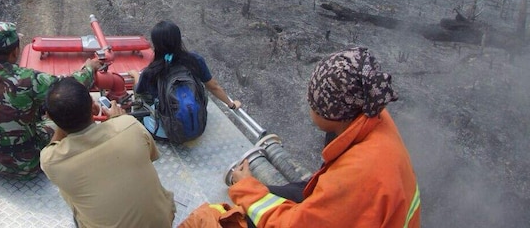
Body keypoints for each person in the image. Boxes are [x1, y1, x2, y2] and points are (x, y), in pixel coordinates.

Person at [179, 47, 421, 228]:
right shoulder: (371, 112)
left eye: (314, 104)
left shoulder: (357, 177)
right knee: (292, 190)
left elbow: (289, 225)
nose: (310, 106)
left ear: (336, 115)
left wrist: (244, 188)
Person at [0, 21, 101, 178]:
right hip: (29, 164)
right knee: (63, 119)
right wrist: (89, 68)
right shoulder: (28, 79)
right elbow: (68, 87)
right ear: (14, 52)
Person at [40, 77, 176, 228]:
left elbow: (54, 144)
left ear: (51, 118)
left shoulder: (50, 160)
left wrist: (61, 120)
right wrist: (118, 119)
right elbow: (150, 156)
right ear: (93, 107)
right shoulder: (129, 125)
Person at [130, 20, 240, 138]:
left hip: (164, 133)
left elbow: (139, 91)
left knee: (139, 101)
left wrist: (136, 75)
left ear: (156, 44)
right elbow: (213, 86)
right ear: (178, 40)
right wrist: (231, 104)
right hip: (197, 125)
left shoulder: (151, 71)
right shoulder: (195, 60)